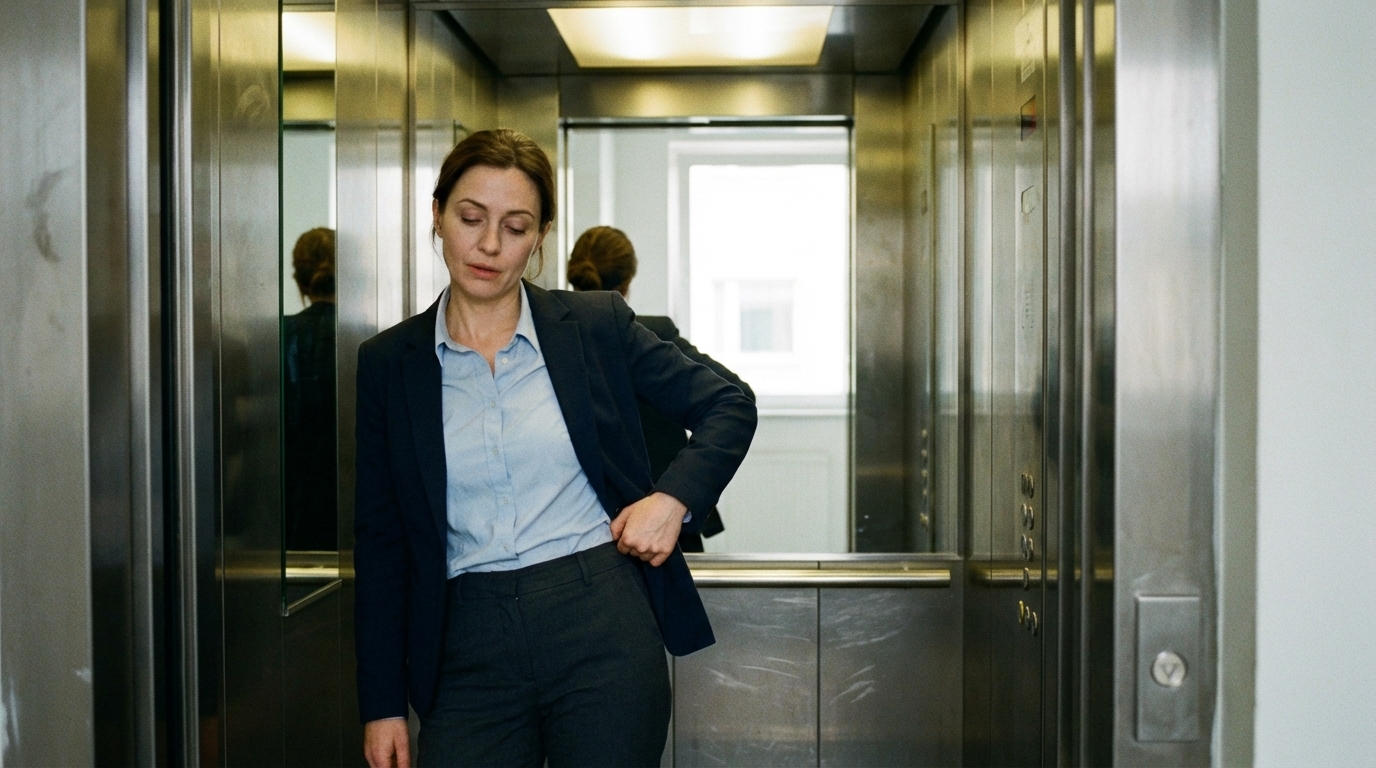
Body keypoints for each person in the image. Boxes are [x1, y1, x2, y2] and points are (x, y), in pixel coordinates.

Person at [353, 129, 757, 768]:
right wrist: (381, 704)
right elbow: (381, 543)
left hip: (601, 622)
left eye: (515, 227)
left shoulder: (594, 326)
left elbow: (728, 404)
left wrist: (673, 500)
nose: (490, 245)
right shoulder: (388, 364)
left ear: (540, 237)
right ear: (437, 215)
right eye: (470, 218)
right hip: (466, 639)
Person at [565, 226, 755, 552]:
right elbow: (737, 392)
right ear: (627, 282)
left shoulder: (548, 342)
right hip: (665, 524)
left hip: (583, 531)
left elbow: (733, 399)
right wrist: (680, 485)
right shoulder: (653, 334)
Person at [283, 227, 337, 551]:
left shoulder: (272, 338)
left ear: (299, 280)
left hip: (285, 501)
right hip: (351, 498)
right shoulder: (373, 341)